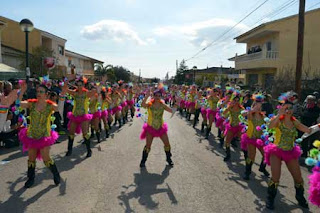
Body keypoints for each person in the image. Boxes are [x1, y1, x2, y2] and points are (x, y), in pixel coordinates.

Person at [264, 92, 312, 210]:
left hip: (290, 151)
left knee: (298, 178)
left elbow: (307, 129)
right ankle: (270, 198)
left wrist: (317, 126)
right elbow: (270, 126)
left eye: (290, 108)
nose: (289, 111)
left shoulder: (294, 120)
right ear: (282, 108)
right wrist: (279, 114)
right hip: (277, 150)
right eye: (286, 108)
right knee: (276, 177)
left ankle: (300, 197)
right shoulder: (278, 120)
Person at [19, 83, 65, 188]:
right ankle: (31, 178)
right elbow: (19, 104)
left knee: (46, 158)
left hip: (44, 135)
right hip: (32, 135)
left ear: (46, 94)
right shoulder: (32, 104)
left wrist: (62, 94)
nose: (38, 93)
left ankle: (56, 174)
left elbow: (59, 109)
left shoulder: (50, 106)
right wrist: (22, 91)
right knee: (31, 158)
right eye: (37, 91)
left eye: (41, 91)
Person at [139, 89, 174, 168]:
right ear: (153, 96)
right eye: (156, 95)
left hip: (161, 127)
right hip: (150, 127)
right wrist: (147, 96)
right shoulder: (150, 104)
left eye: (159, 96)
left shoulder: (163, 105)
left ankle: (169, 159)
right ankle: (143, 161)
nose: (157, 97)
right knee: (148, 146)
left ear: (161, 97)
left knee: (167, 144)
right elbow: (142, 105)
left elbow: (172, 111)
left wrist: (177, 103)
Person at [240, 94, 269, 180]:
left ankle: (262, 168)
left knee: (266, 154)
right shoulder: (250, 114)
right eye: (257, 105)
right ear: (254, 105)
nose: (259, 107)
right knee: (252, 156)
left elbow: (268, 124)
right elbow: (244, 115)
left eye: (260, 105)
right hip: (251, 138)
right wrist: (252, 109)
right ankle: (247, 172)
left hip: (260, 139)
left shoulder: (263, 116)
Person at [65, 77, 96, 157]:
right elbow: (65, 89)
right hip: (75, 115)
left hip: (83, 116)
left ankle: (89, 150)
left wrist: (97, 84)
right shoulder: (74, 93)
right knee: (71, 133)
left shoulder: (86, 94)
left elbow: (95, 91)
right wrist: (67, 81)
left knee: (85, 134)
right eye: (78, 85)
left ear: (83, 85)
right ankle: (69, 150)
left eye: (80, 85)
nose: (79, 87)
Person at [223, 91, 244, 161]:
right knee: (227, 141)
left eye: (238, 100)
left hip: (239, 127)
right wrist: (229, 107)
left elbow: (245, 116)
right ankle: (228, 155)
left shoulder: (241, 108)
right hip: (231, 126)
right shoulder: (230, 107)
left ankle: (247, 158)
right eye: (235, 100)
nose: (236, 102)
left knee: (243, 142)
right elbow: (224, 113)